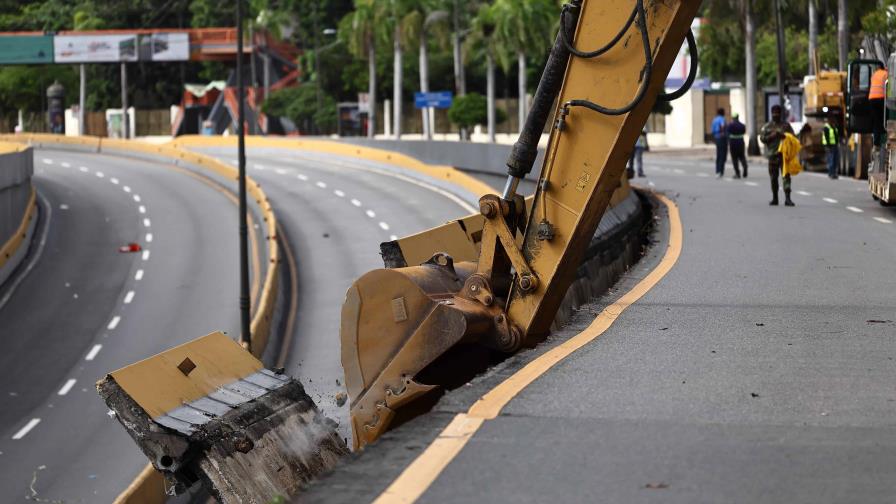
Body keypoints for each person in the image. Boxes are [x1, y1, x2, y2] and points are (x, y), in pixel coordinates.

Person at [760, 104, 796, 206]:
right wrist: (772, 136)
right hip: (772, 156)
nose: (775, 114)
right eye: (774, 113)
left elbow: (793, 138)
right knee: (773, 178)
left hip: (784, 156)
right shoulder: (767, 126)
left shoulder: (786, 126)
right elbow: (762, 139)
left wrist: (783, 136)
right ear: (771, 113)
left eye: (777, 113)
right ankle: (775, 198)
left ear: (781, 114)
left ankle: (787, 198)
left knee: (786, 176)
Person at [869, 65, 888, 147]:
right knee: (884, 118)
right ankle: (884, 136)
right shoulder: (886, 74)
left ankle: (876, 142)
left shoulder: (874, 74)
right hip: (881, 98)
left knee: (876, 121)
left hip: (872, 98)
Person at [727, 113, 747, 178]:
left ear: (733, 118)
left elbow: (728, 132)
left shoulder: (730, 125)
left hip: (733, 142)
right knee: (742, 156)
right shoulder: (742, 125)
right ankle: (745, 166)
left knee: (734, 158)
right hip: (741, 141)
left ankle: (737, 173)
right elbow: (744, 132)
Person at [711, 108, 727, 177]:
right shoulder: (722, 119)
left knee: (718, 154)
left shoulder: (714, 120)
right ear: (723, 112)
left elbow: (712, 130)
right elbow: (722, 126)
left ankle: (717, 171)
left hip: (716, 138)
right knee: (722, 155)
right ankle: (721, 171)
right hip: (722, 137)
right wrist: (723, 133)